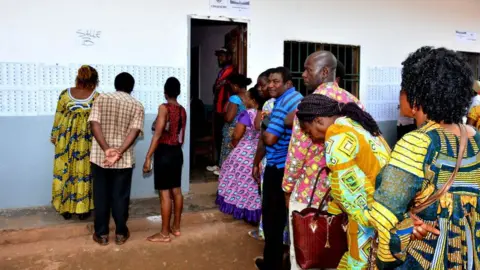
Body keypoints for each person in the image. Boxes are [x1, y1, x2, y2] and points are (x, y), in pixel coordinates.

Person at [366, 47, 479, 269]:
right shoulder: (476, 140)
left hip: (425, 259)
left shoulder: (417, 143)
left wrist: (405, 231)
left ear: (417, 95)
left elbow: (383, 215)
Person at [281, 51, 364, 270]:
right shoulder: (354, 102)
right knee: (336, 254)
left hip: (309, 195)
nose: (303, 73)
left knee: (305, 255)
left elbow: (297, 154)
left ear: (325, 71)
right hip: (346, 196)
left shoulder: (309, 105)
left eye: (308, 69)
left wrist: (287, 188)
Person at [296, 94, 391, 269]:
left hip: (369, 217)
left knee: (361, 263)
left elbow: (345, 190)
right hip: (387, 208)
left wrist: (364, 219)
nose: (311, 138)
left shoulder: (337, 134)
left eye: (308, 131)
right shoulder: (356, 124)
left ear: (318, 120)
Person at [255, 67, 303, 270]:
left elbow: (270, 137)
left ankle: (272, 265)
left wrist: (266, 128)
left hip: (278, 167)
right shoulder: (297, 98)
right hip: (292, 167)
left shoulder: (283, 103)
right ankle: (285, 261)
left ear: (288, 84)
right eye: (270, 82)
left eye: (276, 82)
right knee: (288, 219)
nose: (271, 85)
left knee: (273, 221)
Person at [88, 72, 145, 246]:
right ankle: (120, 233)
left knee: (101, 196)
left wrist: (106, 149)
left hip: (100, 158)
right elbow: (134, 131)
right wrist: (118, 151)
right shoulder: (137, 105)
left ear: (115, 84)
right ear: (132, 88)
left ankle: (102, 234)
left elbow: (94, 124)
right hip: (123, 160)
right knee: (120, 197)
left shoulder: (101, 99)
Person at [50, 65, 99, 220]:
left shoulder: (65, 94)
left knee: (64, 171)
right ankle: (82, 210)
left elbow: (58, 116)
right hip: (86, 142)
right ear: (95, 81)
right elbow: (98, 122)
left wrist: (54, 135)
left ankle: (65, 209)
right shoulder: (96, 97)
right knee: (83, 173)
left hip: (65, 140)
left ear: (78, 78)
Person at [143, 77, 187, 243]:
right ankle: (176, 228)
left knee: (164, 194)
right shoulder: (182, 110)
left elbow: (157, 133)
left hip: (164, 153)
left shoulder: (164, 108)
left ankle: (164, 233)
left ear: (165, 92)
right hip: (177, 152)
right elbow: (179, 134)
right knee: (176, 190)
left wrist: (148, 157)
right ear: (179, 92)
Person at [216, 87, 266, 223]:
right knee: (254, 187)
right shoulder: (266, 113)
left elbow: (237, 134)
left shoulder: (247, 114)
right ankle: (255, 213)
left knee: (231, 174)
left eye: (248, 98)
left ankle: (240, 208)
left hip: (245, 151)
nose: (246, 100)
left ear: (254, 101)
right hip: (261, 152)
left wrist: (234, 141)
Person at [206, 47, 237, 175]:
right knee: (219, 138)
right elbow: (216, 87)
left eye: (222, 56)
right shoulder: (222, 72)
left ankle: (224, 166)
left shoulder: (232, 72)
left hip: (226, 110)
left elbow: (225, 88)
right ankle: (219, 164)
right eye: (219, 56)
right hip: (218, 110)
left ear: (229, 57)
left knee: (226, 139)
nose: (220, 58)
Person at [217, 74, 250, 170]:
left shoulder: (235, 98)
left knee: (229, 159)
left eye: (231, 86)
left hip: (233, 132)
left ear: (235, 85)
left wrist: (224, 113)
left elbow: (229, 118)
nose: (231, 88)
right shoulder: (250, 96)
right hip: (245, 131)